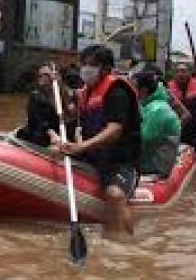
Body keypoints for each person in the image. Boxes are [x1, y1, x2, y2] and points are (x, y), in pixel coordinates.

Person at [57, 45, 141, 235]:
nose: (86, 69)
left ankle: (122, 244)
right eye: (84, 64)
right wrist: (58, 86)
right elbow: (71, 115)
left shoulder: (117, 92)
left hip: (120, 160)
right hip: (94, 156)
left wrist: (81, 146)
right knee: (54, 151)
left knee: (114, 195)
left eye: (92, 65)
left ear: (106, 69)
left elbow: (115, 130)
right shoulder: (86, 92)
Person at [135, 70, 181, 179]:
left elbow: (143, 139)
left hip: (155, 167)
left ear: (143, 90)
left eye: (133, 87)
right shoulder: (150, 105)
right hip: (153, 161)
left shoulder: (157, 110)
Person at [167, 62, 196, 169]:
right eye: (178, 72)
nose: (181, 74)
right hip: (175, 131)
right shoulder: (168, 89)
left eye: (184, 71)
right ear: (174, 75)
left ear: (189, 73)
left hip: (195, 132)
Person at [16, 63, 75, 147]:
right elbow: (37, 120)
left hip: (61, 132)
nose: (41, 77)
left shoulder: (67, 95)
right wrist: (51, 134)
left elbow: (70, 120)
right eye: (40, 75)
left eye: (46, 75)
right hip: (41, 133)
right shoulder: (35, 96)